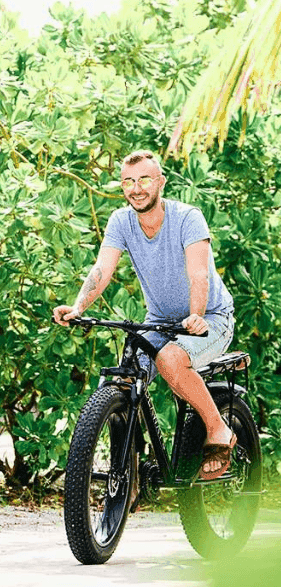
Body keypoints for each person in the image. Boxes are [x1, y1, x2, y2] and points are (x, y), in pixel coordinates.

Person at [53, 149, 236, 481]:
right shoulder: (121, 221)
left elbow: (199, 275)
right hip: (160, 321)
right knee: (121, 379)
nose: (136, 188)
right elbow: (102, 268)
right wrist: (79, 307)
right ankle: (130, 476)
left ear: (160, 182)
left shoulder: (187, 218)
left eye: (144, 180)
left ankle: (217, 427)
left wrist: (196, 315)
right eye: (128, 182)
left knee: (169, 360)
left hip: (210, 319)